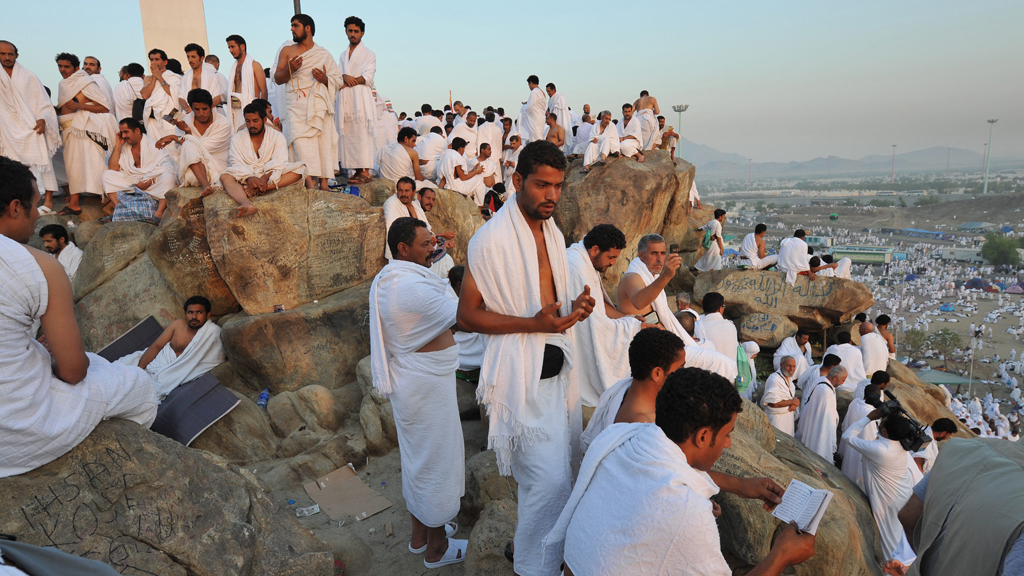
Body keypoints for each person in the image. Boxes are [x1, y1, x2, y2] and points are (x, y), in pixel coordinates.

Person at [456, 140, 596, 576]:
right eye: (541, 185)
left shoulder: (552, 233)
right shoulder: (491, 239)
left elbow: (549, 303)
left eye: (557, 186)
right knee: (548, 484)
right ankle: (534, 566)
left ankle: (540, 554)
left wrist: (577, 308)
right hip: (520, 381)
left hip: (557, 376)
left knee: (567, 471)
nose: (551, 195)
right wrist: (532, 325)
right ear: (518, 181)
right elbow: (467, 316)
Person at [546, 367, 815, 576]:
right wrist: (781, 555)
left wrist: (739, 484)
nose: (729, 443)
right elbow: (675, 500)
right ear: (703, 436)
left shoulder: (627, 438)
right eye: (727, 435)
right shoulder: (686, 510)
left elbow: (666, 472)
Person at [0, 156, 158, 478]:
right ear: (15, 208)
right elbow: (73, 372)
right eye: (34, 206)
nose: (36, 220)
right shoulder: (42, 266)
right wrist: (48, 358)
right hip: (16, 434)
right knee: (140, 386)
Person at [368, 216, 467, 569]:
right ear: (402, 249)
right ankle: (436, 549)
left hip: (419, 383)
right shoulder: (407, 287)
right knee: (436, 460)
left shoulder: (394, 277)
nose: (434, 249)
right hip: (425, 386)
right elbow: (464, 316)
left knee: (417, 460)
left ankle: (420, 535)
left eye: (433, 242)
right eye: (426, 245)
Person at [566, 224, 643, 408]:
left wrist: (629, 319)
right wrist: (632, 328)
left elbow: (600, 306)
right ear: (594, 250)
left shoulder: (586, 261)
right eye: (611, 257)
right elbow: (593, 323)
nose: (613, 263)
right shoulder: (576, 266)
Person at [274, 14, 343, 191]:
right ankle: (309, 181)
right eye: (291, 26)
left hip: (318, 103)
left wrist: (325, 79)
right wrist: (290, 69)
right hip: (297, 105)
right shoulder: (287, 51)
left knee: (323, 141)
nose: (291, 29)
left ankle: (325, 183)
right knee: (300, 141)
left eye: (295, 25)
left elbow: (338, 80)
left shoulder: (323, 54)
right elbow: (278, 78)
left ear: (307, 28)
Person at [843, 406, 918, 565]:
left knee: (889, 542)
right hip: (902, 494)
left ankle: (893, 569)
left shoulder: (881, 449)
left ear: (884, 432)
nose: (879, 422)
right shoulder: (900, 444)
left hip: (889, 501)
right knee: (900, 538)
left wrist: (869, 417)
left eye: (881, 422)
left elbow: (847, 436)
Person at [116, 295, 225, 399]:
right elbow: (156, 346)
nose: (194, 317)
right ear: (185, 313)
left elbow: (215, 358)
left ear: (208, 314)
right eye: (190, 312)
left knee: (131, 394)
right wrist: (138, 370)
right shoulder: (178, 325)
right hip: (154, 364)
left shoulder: (213, 334)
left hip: (171, 377)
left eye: (199, 312)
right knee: (117, 375)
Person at [54, 52, 118, 217]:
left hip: (83, 129)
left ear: (76, 68)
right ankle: (76, 202)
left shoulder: (86, 82)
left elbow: (104, 106)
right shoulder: (63, 83)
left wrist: (80, 106)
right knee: (72, 166)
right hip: (69, 129)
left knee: (89, 165)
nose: (63, 69)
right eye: (60, 66)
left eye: (66, 66)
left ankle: (99, 199)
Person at [0, 41, 60, 212]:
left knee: (42, 160)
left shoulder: (28, 76)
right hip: (6, 128)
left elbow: (43, 101)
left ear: (16, 55)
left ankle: (48, 201)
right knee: (11, 166)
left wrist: (42, 119)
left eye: (10, 54)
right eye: (3, 54)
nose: (7, 57)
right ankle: (21, 202)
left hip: (31, 126)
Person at [219, 103, 305, 218]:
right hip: (247, 176)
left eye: (255, 121)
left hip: (270, 176)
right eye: (248, 121)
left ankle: (257, 190)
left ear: (264, 120)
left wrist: (264, 178)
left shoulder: (277, 136)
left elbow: (279, 161)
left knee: (300, 169)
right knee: (225, 176)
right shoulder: (237, 138)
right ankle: (246, 203)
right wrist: (249, 177)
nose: (251, 125)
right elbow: (236, 163)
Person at [156, 88, 232, 194]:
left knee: (188, 144)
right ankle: (205, 185)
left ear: (211, 107)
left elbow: (203, 147)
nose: (201, 113)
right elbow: (182, 152)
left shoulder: (223, 124)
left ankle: (205, 185)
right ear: (191, 108)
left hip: (218, 169)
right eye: (197, 109)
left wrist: (176, 137)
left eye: (204, 109)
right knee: (189, 174)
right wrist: (187, 132)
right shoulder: (185, 121)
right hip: (195, 170)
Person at [101, 118, 177, 222]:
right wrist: (118, 145)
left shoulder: (153, 144)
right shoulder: (125, 148)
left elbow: (167, 165)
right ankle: (120, 209)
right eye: (121, 133)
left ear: (137, 130)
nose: (123, 136)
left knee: (168, 177)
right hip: (133, 181)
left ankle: (159, 213)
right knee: (107, 175)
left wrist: (148, 180)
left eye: (126, 132)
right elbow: (113, 168)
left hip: (152, 183)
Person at [383, 177, 454, 274]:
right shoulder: (392, 203)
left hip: (422, 247)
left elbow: (427, 230)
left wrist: (432, 239)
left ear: (414, 192)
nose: (403, 194)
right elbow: (397, 232)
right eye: (400, 190)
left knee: (446, 259)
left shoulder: (415, 206)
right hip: (408, 253)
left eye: (407, 191)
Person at [336, 16, 376, 185]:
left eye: (356, 31)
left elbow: (369, 76)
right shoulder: (343, 55)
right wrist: (344, 77)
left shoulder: (369, 54)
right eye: (350, 31)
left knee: (361, 133)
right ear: (346, 31)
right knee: (348, 134)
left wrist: (350, 80)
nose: (353, 34)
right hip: (346, 100)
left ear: (362, 33)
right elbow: (338, 75)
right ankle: (356, 169)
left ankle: (365, 171)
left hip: (360, 99)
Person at [617, 233, 684, 335]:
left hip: (658, 336)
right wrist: (666, 276)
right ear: (641, 255)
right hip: (640, 340)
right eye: (654, 253)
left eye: (662, 253)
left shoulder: (652, 277)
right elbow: (639, 302)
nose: (659, 258)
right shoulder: (631, 277)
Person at [797, 365, 845, 461]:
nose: (843, 383)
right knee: (819, 451)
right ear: (835, 378)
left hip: (813, 425)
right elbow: (825, 420)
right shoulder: (825, 392)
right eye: (842, 380)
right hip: (819, 431)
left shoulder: (821, 381)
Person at [840, 383, 883, 489]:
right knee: (860, 479)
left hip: (851, 443)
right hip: (862, 448)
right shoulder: (870, 413)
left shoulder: (854, 402)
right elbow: (871, 436)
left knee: (849, 469)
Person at [139, 49, 182, 153]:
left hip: (169, 116)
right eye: (151, 60)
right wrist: (155, 78)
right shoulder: (149, 79)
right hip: (153, 120)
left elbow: (174, 94)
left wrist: (160, 77)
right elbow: (145, 95)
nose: (154, 62)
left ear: (165, 62)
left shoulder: (173, 77)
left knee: (172, 148)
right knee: (155, 150)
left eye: (157, 59)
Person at [225, 35, 268, 133]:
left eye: (233, 47)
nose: (230, 50)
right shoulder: (233, 68)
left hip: (251, 109)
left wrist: (261, 112)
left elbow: (264, 90)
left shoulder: (255, 65)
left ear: (242, 47)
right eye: (229, 48)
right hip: (235, 111)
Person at [178, 43, 226, 118]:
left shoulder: (211, 76)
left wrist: (203, 109)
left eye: (193, 57)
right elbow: (181, 97)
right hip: (189, 116)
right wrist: (188, 109)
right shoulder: (185, 78)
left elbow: (218, 98)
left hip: (208, 115)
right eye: (188, 57)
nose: (190, 60)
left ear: (202, 58)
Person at [437, 137, 486, 207]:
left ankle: (478, 207)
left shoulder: (447, 154)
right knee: (479, 177)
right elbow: (463, 177)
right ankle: (479, 207)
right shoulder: (456, 156)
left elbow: (460, 174)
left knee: (480, 184)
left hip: (448, 185)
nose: (464, 151)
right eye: (464, 149)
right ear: (460, 149)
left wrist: (473, 170)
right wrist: (476, 172)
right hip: (456, 188)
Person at [761, 356, 800, 435]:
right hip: (777, 420)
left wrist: (795, 403)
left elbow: (790, 396)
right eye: (788, 366)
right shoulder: (774, 379)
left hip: (787, 419)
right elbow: (773, 403)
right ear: (781, 365)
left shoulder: (789, 380)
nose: (791, 369)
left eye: (793, 366)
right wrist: (792, 402)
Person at [700, 291, 738, 363]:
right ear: (720, 309)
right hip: (728, 372)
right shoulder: (730, 326)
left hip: (705, 372)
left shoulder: (697, 326)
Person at [112, 62, 145, 127]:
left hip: (125, 126)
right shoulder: (148, 86)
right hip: (146, 125)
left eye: (120, 73)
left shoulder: (119, 86)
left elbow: (113, 108)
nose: (119, 75)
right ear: (143, 76)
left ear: (128, 75)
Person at [518, 75, 547, 144]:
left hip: (535, 119)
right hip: (541, 119)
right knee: (539, 138)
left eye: (528, 84)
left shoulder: (534, 92)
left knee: (535, 140)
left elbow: (529, 107)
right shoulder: (542, 93)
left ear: (531, 83)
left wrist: (524, 106)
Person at [545, 83, 572, 153]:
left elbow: (561, 110)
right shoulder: (551, 99)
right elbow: (549, 108)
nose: (548, 93)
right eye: (547, 91)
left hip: (560, 119)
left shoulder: (560, 97)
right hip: (552, 120)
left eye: (549, 91)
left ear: (553, 89)